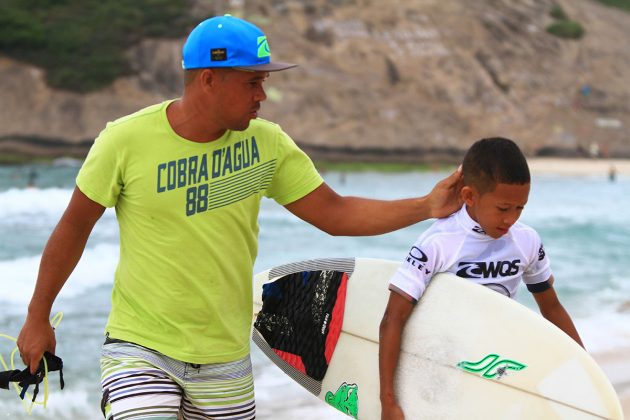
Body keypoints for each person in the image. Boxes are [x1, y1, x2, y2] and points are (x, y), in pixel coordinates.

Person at [16, 15, 462, 420]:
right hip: (142, 347)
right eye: (252, 82)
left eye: (263, 81)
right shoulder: (124, 141)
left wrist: (425, 206)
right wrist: (38, 315)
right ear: (209, 80)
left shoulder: (266, 145)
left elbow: (335, 212)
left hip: (226, 358)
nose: (262, 95)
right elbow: (74, 226)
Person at [379, 137, 583, 420]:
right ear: (469, 196)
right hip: (441, 369)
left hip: (496, 367)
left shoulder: (526, 241)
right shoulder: (438, 243)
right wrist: (388, 401)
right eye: (503, 208)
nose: (511, 218)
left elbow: (551, 308)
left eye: (519, 208)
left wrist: (586, 371)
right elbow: (394, 319)